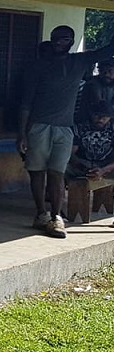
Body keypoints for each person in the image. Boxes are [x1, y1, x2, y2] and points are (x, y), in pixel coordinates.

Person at [18, 25, 114, 238]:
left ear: (71, 41)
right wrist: (22, 133)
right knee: (36, 171)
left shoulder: (79, 61)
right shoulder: (39, 67)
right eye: (56, 38)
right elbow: (25, 103)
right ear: (51, 40)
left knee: (57, 173)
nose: (60, 41)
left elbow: (107, 51)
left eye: (65, 39)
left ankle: (55, 217)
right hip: (38, 125)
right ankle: (41, 214)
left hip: (65, 128)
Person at [67, 99, 114, 181]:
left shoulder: (112, 128)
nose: (100, 119)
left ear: (110, 117)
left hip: (107, 165)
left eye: (105, 116)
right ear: (91, 114)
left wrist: (103, 170)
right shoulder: (79, 128)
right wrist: (84, 168)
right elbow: (71, 154)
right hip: (83, 164)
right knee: (60, 166)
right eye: (97, 115)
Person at [75, 58, 114, 124]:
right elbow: (100, 104)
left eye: (110, 71)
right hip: (88, 125)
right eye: (102, 71)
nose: (106, 74)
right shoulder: (92, 84)